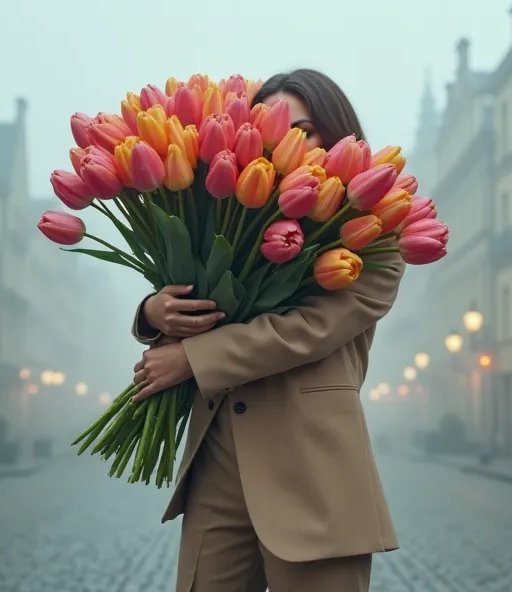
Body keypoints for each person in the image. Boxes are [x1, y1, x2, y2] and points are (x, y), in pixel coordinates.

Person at [130, 68, 403, 592]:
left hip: (313, 472)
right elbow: (193, 289)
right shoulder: (233, 212)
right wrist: (153, 310)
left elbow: (309, 329)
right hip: (217, 462)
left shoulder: (378, 238)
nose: (286, 141)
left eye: (304, 128)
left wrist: (192, 359)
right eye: (272, 128)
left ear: (339, 133)